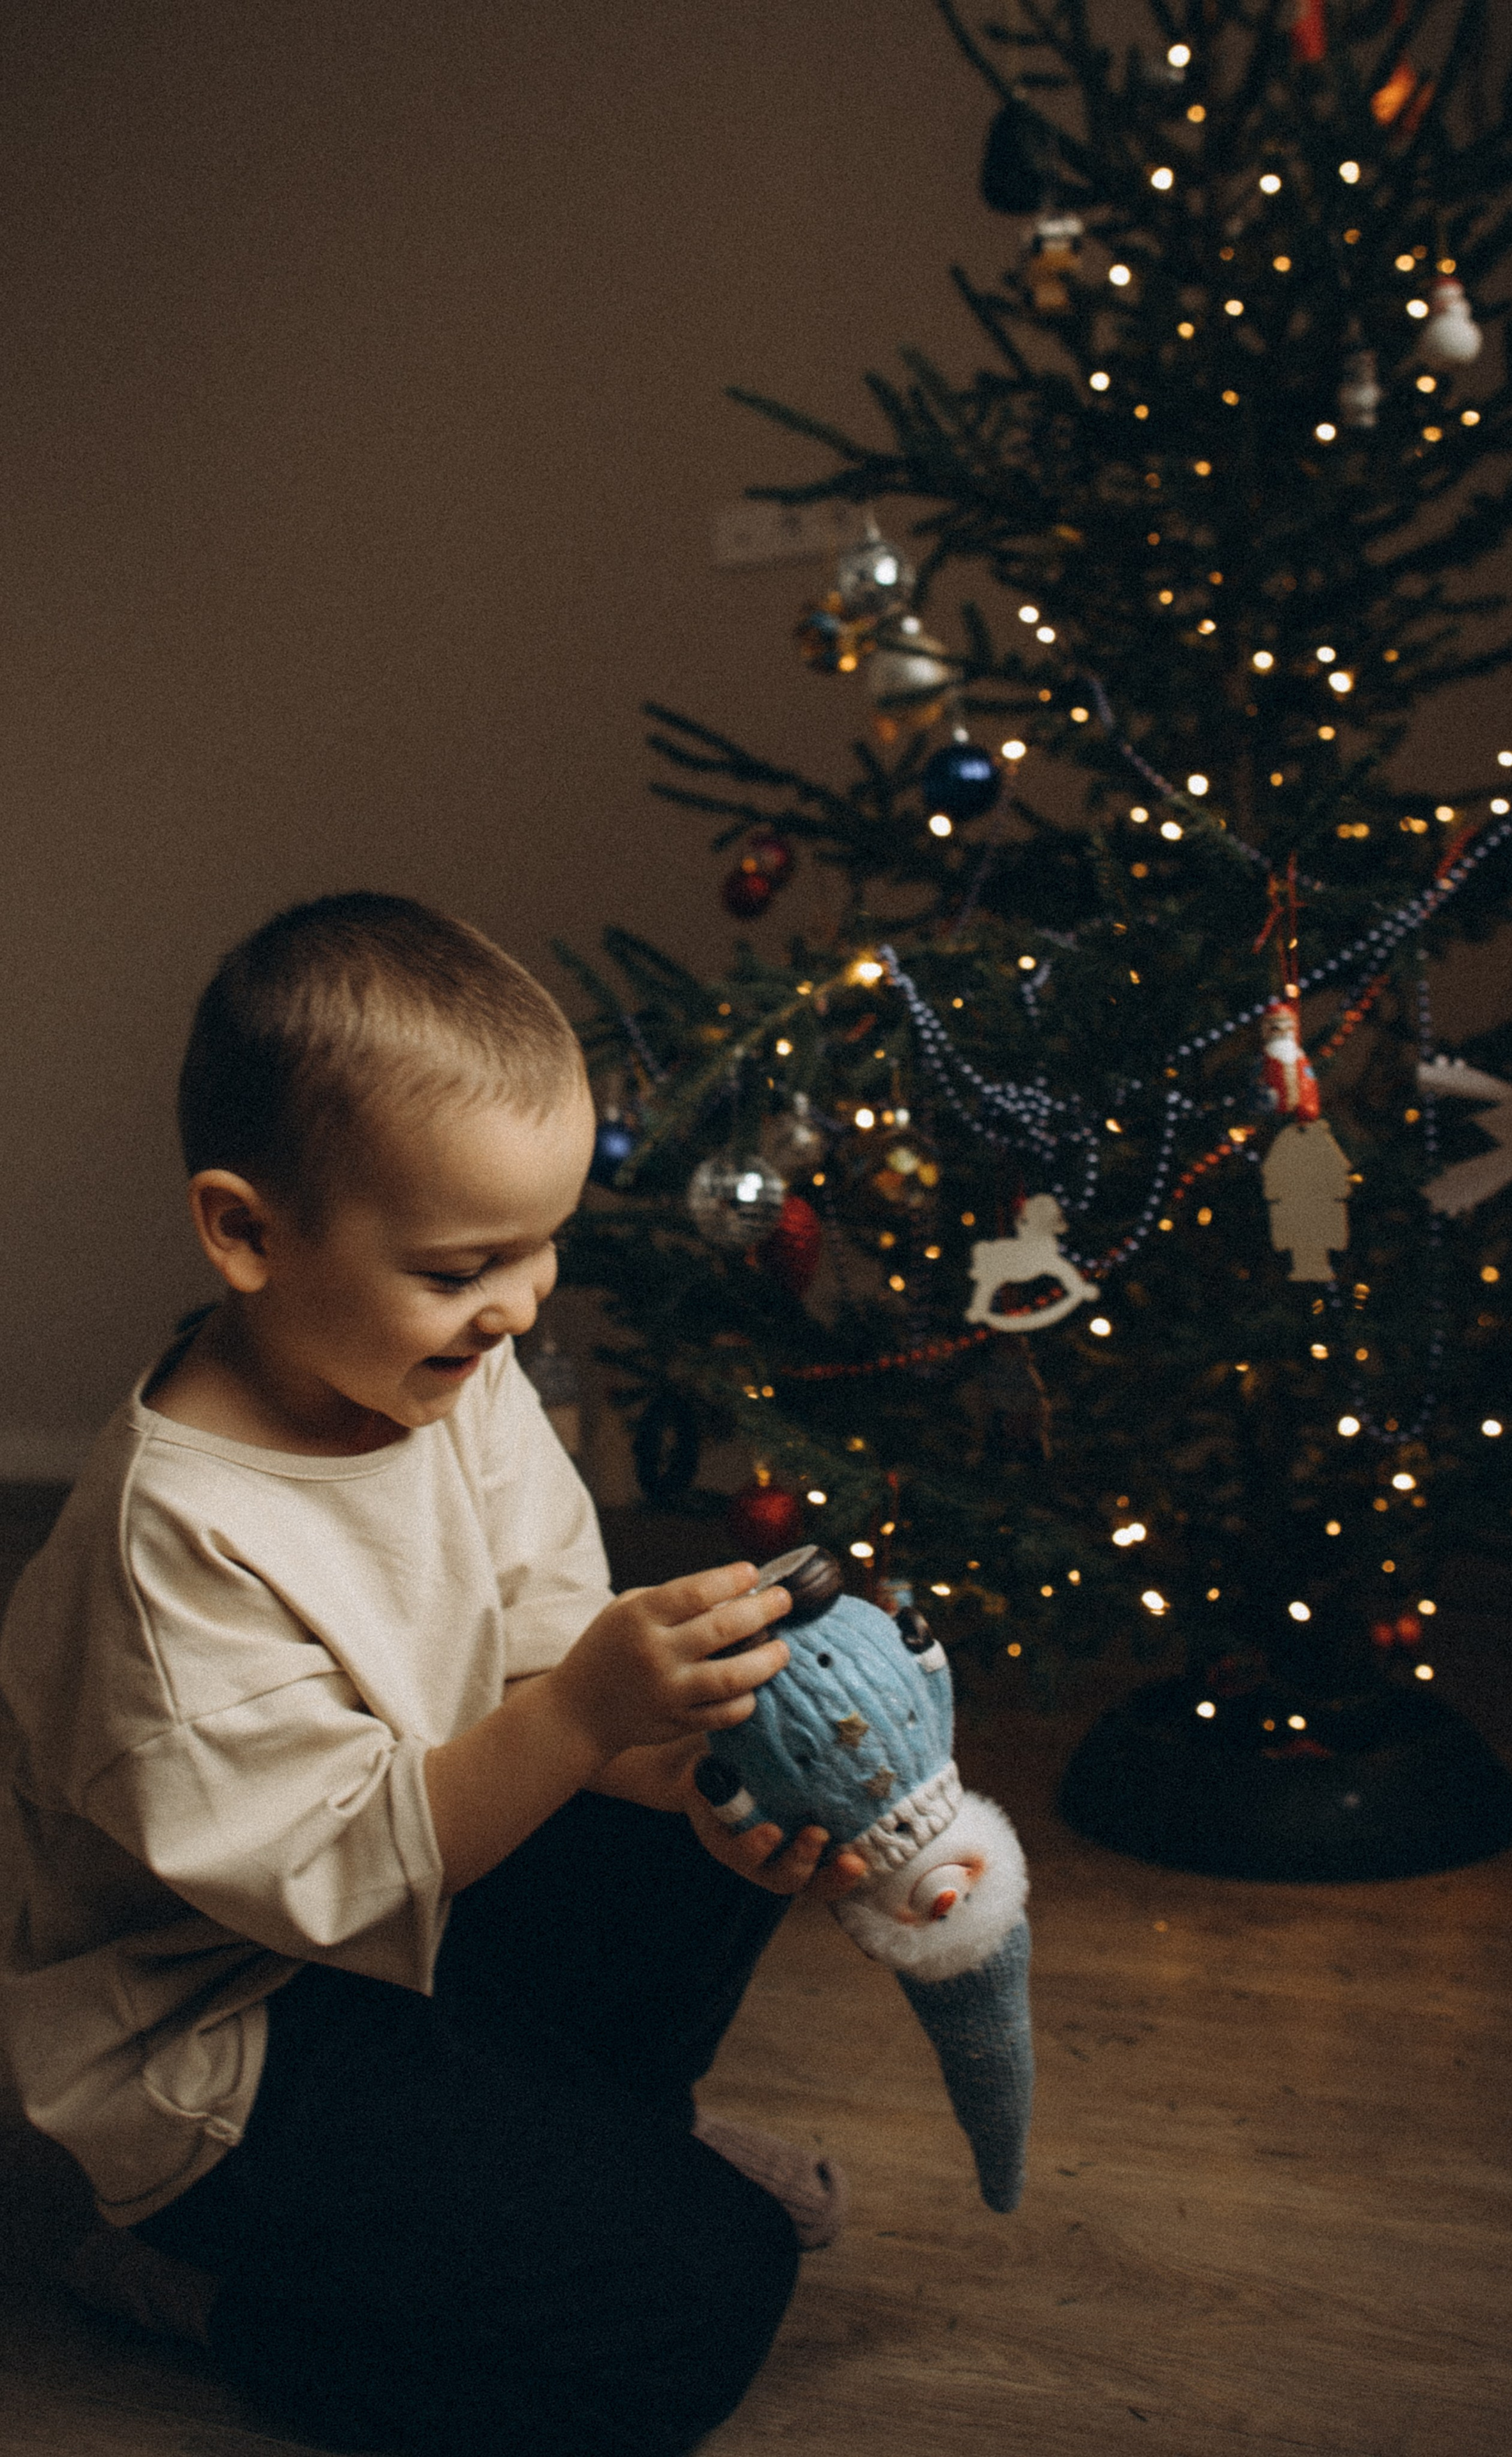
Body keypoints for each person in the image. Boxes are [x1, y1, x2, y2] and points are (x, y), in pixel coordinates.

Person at [0, 891, 864, 2456]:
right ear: (247, 1232)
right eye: (468, 1262)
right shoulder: (173, 1539)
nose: (522, 1303)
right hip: (229, 2040)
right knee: (700, 2298)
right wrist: (585, 1713)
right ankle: (222, 2291)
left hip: (425, 1914)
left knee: (742, 1736)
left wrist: (701, 1781)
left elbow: (547, 1665)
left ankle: (605, 2142)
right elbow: (331, 1877)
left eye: (543, 1248)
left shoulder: (436, 1373)